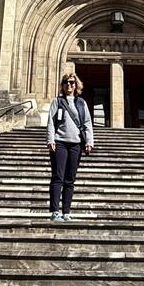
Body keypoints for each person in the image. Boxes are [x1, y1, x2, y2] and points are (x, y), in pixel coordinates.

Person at [46, 72, 94, 222]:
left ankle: (66, 212)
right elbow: (51, 122)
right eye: (66, 82)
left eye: (72, 82)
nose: (69, 85)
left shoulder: (81, 103)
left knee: (70, 179)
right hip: (59, 142)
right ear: (62, 85)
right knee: (58, 177)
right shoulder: (57, 101)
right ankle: (55, 212)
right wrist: (50, 139)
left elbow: (87, 123)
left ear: (76, 85)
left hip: (76, 144)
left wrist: (89, 141)